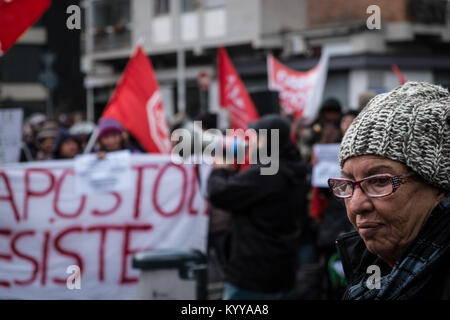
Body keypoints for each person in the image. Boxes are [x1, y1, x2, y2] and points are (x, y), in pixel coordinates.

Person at [328, 82, 450, 299]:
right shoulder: (371, 267)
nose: (356, 205)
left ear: (440, 188)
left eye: (379, 181)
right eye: (348, 183)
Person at [207, 114, 308, 300]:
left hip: (252, 273)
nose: (250, 142)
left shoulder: (267, 172)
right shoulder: (292, 168)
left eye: (254, 137)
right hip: (281, 270)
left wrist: (220, 169)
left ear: (266, 141)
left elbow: (220, 194)